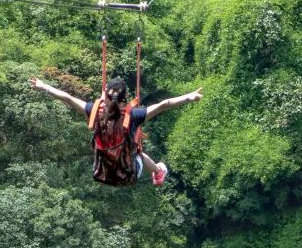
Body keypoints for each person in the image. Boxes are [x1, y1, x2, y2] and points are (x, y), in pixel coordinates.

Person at [29, 75, 203, 186]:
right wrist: (189, 97)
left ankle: (157, 171)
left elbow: (67, 98)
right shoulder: (133, 115)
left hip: (100, 173)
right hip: (128, 176)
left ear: (105, 94)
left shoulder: (94, 111)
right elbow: (163, 105)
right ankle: (158, 172)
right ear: (124, 97)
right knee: (138, 152)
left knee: (122, 149)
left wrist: (44, 86)